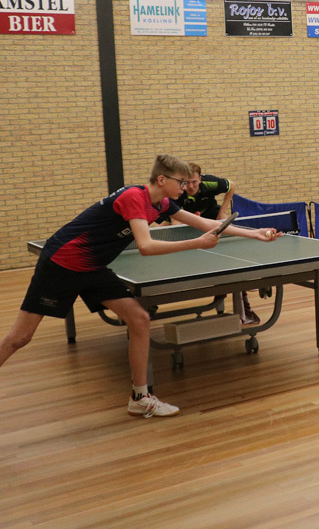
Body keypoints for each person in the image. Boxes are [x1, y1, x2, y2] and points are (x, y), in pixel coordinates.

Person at [0, 155, 279, 418]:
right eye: (181, 182)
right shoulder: (134, 197)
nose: (185, 188)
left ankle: (139, 397)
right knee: (20, 338)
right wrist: (197, 243)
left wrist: (254, 233)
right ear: (162, 180)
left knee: (139, 319)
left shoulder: (163, 204)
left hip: (93, 267)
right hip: (62, 263)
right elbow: (145, 246)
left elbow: (203, 222)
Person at [175, 165, 257, 325]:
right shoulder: (177, 191)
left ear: (200, 179)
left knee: (229, 244)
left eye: (194, 182)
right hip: (188, 220)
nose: (190, 186)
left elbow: (232, 185)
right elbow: (174, 218)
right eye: (186, 182)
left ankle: (242, 276)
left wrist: (222, 212)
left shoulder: (210, 183)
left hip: (211, 215)